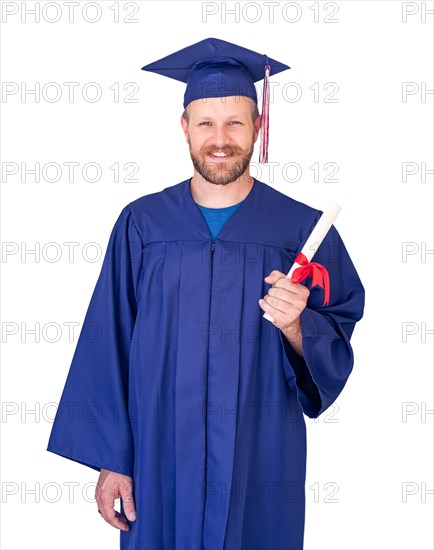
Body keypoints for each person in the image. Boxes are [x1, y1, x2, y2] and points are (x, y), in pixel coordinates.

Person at [47, 37, 365, 550]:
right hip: (158, 454)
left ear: (258, 127)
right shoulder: (142, 224)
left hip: (259, 456)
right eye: (207, 123)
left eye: (236, 122)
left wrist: (298, 327)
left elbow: (340, 328)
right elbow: (108, 345)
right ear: (185, 128)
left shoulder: (303, 232)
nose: (221, 139)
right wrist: (112, 461)